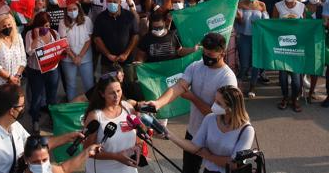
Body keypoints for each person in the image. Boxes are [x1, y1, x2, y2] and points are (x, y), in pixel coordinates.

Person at [143, 33, 237, 173]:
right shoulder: (195, 66)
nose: (205, 56)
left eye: (210, 54)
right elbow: (179, 87)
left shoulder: (227, 78)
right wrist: (158, 103)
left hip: (215, 138)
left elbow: (215, 115)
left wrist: (193, 98)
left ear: (222, 53)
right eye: (204, 52)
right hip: (194, 132)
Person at [0, 83, 82, 173]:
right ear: (12, 111)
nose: (24, 108)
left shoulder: (14, 125)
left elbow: (36, 146)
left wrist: (68, 137)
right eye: (22, 106)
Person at [165, 86, 255, 173]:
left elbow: (234, 164)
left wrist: (209, 156)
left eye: (219, 103)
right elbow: (195, 147)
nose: (214, 104)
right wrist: (168, 134)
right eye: (215, 100)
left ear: (229, 109)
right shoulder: (210, 118)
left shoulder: (247, 131)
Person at [83, 73, 140, 173]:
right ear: (102, 94)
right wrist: (116, 157)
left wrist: (138, 148)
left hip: (128, 168)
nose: (116, 96)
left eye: (118, 91)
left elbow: (138, 135)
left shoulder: (128, 108)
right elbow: (87, 150)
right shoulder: (95, 116)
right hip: (102, 170)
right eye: (111, 93)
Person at [272, 0, 305, 112]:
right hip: (282, 46)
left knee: (296, 79)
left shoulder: (301, 7)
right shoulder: (277, 6)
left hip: (296, 48)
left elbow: (305, 27)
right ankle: (285, 98)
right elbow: (272, 26)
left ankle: (295, 99)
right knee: (283, 77)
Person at [25, 12, 60, 132]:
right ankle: (35, 120)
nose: (45, 28)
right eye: (42, 26)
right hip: (36, 71)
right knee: (37, 97)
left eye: (47, 25)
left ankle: (54, 119)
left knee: (52, 97)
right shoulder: (30, 34)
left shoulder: (54, 33)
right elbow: (29, 52)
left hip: (52, 70)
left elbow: (58, 49)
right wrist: (37, 37)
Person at [93, 0, 139, 74]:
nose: (112, 4)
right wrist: (108, 54)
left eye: (115, 2)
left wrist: (126, 54)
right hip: (107, 62)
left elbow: (135, 35)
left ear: (120, 2)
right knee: (108, 85)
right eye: (109, 1)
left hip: (127, 61)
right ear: (106, 2)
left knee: (129, 85)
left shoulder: (129, 16)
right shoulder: (100, 18)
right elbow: (97, 38)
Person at [59, 3, 94, 102]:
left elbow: (89, 40)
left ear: (79, 8)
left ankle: (91, 106)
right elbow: (64, 41)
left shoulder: (87, 20)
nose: (72, 11)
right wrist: (73, 57)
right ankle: (72, 106)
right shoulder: (62, 22)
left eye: (74, 9)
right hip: (68, 58)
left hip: (85, 57)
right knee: (70, 85)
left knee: (89, 84)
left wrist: (80, 56)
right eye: (69, 10)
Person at [235, 0, 268, 98]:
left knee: (256, 64)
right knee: (244, 65)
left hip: (258, 38)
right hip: (244, 37)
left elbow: (266, 23)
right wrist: (239, 18)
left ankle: (252, 88)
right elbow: (238, 23)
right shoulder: (240, 3)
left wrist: (260, 22)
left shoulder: (262, 4)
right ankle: (237, 82)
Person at [0, 14, 27, 92]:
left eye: (9, 25)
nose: (7, 27)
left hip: (16, 80)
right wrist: (10, 78)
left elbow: (23, 60)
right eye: (4, 26)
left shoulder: (18, 37)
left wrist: (17, 76)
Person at [22, 135, 100, 173]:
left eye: (45, 160)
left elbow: (63, 169)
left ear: (49, 156)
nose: (42, 165)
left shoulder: (50, 170)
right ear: (26, 159)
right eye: (36, 162)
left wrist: (88, 151)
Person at [305, 0, 325, 103]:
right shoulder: (302, 6)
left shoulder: (324, 8)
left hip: (317, 42)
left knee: (315, 68)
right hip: (303, 41)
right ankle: (298, 91)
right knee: (301, 66)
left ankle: (311, 93)